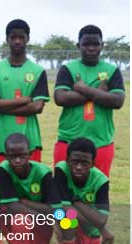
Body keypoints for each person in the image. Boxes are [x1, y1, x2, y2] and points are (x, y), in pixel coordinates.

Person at [0, 19, 49, 183]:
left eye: (21, 37)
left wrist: (1, 106)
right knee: (3, 187)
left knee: (32, 186)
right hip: (2, 141)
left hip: (30, 142)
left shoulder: (38, 71)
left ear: (28, 39)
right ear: (7, 39)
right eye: (13, 37)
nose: (17, 41)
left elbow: (37, 107)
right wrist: (24, 101)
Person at [53, 25, 125, 178]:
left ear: (102, 46)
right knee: (62, 191)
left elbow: (117, 101)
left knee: (98, 191)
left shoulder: (112, 70)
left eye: (95, 44)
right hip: (68, 141)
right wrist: (99, 93)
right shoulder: (68, 69)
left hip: (101, 142)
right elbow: (60, 98)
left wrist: (82, 88)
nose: (91, 48)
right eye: (86, 44)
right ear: (78, 46)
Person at [0, 133, 56, 244]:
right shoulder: (4, 168)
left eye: (22, 156)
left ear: (30, 154)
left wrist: (24, 202)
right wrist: (33, 212)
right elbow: (11, 206)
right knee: (20, 221)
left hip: (41, 226)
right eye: (12, 156)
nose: (17, 161)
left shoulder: (44, 173)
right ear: (6, 156)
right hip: (17, 224)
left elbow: (52, 209)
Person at [52, 138, 112, 244]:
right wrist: (96, 221)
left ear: (92, 163)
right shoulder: (61, 170)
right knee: (65, 220)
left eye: (85, 163)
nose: (79, 167)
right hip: (66, 220)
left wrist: (76, 202)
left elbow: (101, 220)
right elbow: (64, 208)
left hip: (89, 229)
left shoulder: (101, 181)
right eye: (74, 161)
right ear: (67, 160)